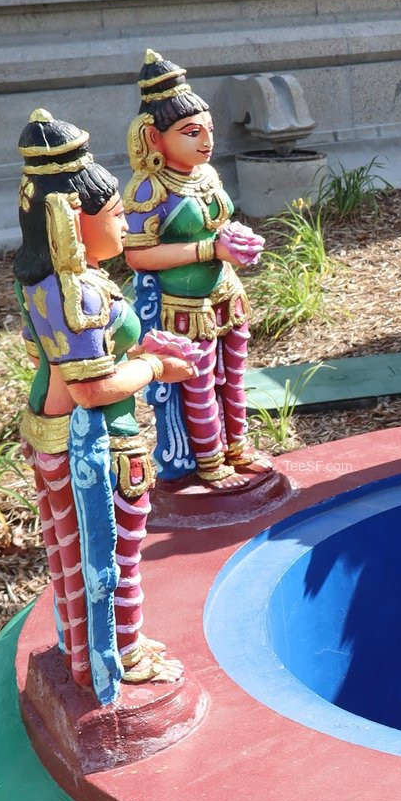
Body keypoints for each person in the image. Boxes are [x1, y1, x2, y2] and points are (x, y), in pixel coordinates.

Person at [15, 110, 195, 696]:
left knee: (73, 556)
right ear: (72, 221)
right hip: (100, 442)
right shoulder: (79, 291)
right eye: (114, 214)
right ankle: (122, 655)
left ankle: (88, 648)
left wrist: (136, 345)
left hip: (52, 429)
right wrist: (152, 366)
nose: (123, 224)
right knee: (113, 551)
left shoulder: (41, 282)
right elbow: (91, 389)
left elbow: (61, 359)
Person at [122, 51, 268, 490]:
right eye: (191, 132)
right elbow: (138, 257)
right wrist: (210, 249)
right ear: (154, 136)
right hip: (185, 306)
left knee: (235, 380)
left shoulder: (206, 174)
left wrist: (236, 242)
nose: (206, 142)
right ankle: (208, 463)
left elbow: (217, 225)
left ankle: (237, 446)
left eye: (208, 130)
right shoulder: (149, 188)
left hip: (227, 294)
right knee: (198, 387)